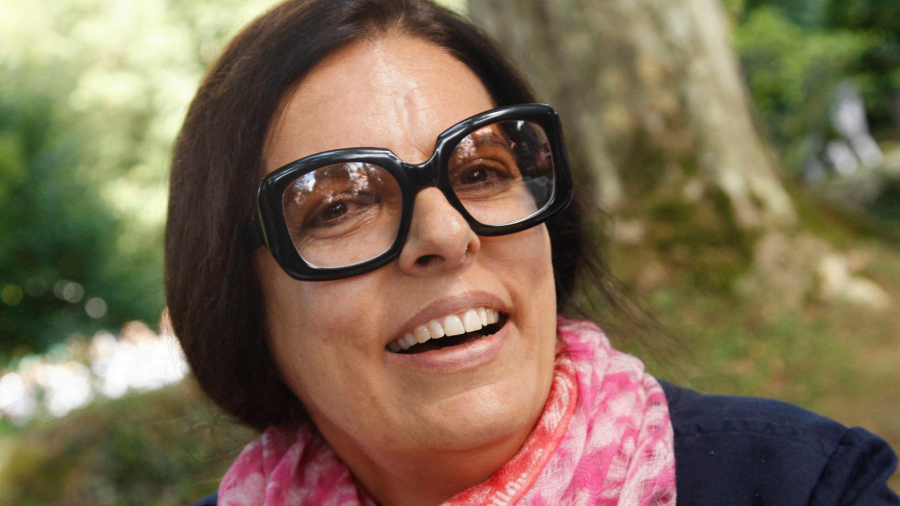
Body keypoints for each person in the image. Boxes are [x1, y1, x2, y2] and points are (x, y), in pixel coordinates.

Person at [165, 0, 900, 504]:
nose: (446, 235)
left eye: (481, 172)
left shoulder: (799, 484)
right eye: (341, 206)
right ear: (239, 297)